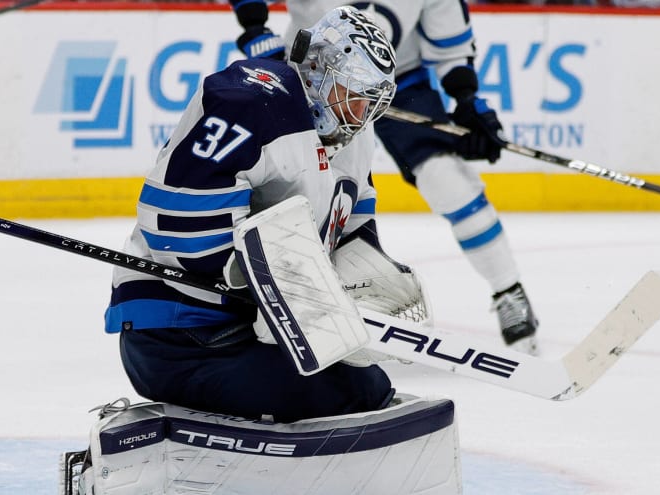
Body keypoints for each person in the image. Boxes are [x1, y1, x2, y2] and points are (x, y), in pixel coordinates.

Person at [104, 6, 402, 423]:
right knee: (350, 394)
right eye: (353, 96)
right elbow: (172, 225)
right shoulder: (252, 101)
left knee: (368, 386)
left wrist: (367, 266)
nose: (359, 117)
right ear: (317, 68)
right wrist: (265, 287)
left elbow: (352, 217)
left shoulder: (349, 137)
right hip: (179, 332)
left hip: (244, 332)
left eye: (370, 105)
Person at [230, 0, 541, 355]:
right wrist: (254, 28)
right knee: (300, 189)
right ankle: (280, 297)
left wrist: (467, 100)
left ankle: (508, 289)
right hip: (313, 73)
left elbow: (450, 47)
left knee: (447, 178)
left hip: (393, 81)